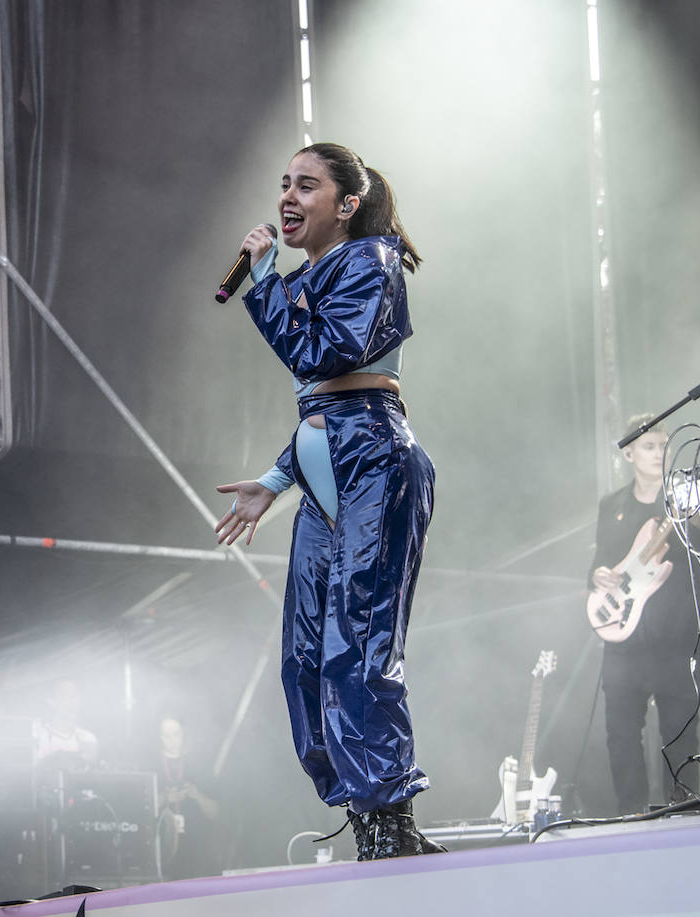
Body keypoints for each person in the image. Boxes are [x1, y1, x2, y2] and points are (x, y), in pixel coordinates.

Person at [214, 142, 441, 859]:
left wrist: (260, 284)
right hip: (326, 474)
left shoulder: (370, 260)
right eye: (283, 183)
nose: (288, 195)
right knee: (305, 656)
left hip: (374, 462)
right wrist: (276, 480)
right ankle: (361, 801)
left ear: (345, 204)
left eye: (306, 185)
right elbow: (322, 403)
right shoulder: (313, 272)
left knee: (359, 644)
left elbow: (326, 359)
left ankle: (387, 822)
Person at [589, 415, 700, 815]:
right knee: (621, 733)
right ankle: (632, 812)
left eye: (663, 446)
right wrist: (597, 576)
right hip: (624, 635)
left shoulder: (685, 500)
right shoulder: (612, 505)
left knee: (680, 734)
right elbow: (600, 562)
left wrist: (699, 518)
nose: (658, 453)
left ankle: (684, 813)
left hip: (675, 635)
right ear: (628, 453)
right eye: (648, 446)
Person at [153, 714, 221, 878]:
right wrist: (166, 798)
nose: (172, 740)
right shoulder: (150, 764)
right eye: (167, 736)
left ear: (184, 734)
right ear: (160, 737)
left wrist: (197, 795)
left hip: (196, 851)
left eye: (176, 734)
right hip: (161, 849)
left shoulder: (200, 764)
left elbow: (215, 813)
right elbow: (140, 812)